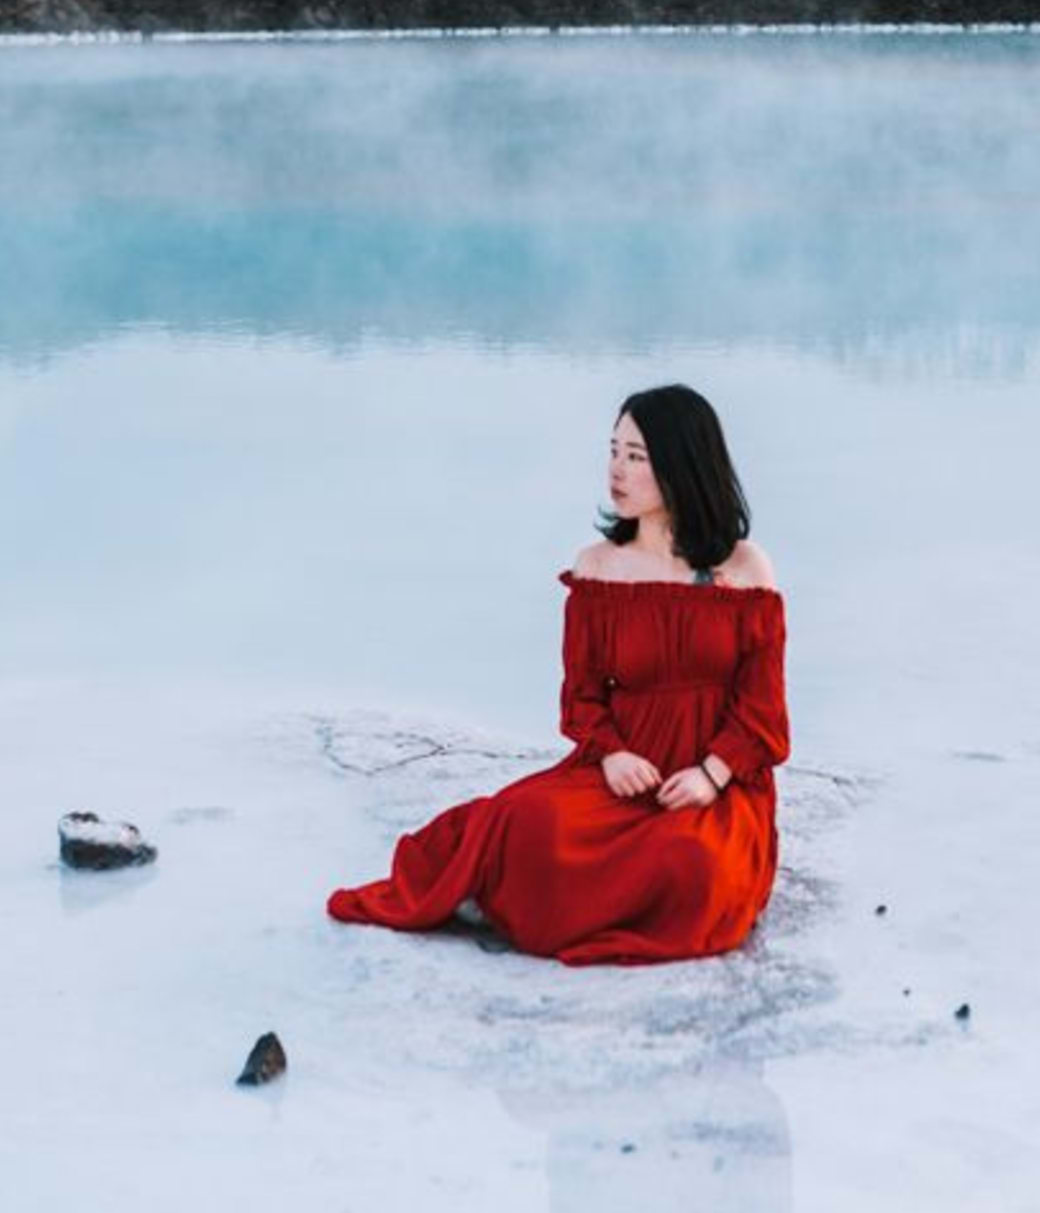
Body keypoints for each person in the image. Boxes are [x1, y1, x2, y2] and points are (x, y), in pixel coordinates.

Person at [326, 384, 787, 965]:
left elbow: (762, 710)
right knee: (526, 825)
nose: (616, 471)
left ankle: (596, 903)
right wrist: (613, 754)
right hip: (623, 770)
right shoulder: (597, 568)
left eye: (636, 457)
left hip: (715, 782)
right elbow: (583, 697)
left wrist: (711, 775)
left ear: (683, 463)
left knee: (695, 868)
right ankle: (529, 898)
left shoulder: (744, 568)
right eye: (613, 451)